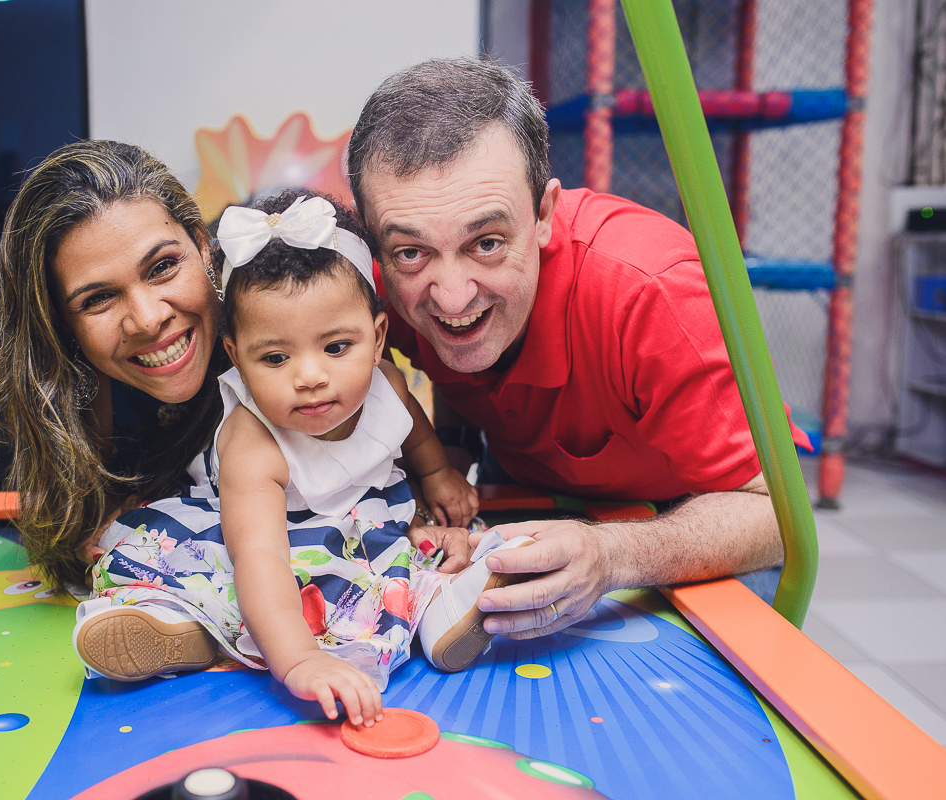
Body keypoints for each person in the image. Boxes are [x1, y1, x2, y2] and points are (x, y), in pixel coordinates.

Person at [347, 58, 813, 642]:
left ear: (543, 214)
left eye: (486, 243)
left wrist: (611, 552)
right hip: (520, 480)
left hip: (694, 515)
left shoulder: (653, 293)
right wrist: (448, 465)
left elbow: (777, 515)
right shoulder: (372, 288)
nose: (452, 295)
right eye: (411, 252)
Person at [75, 190, 531, 727]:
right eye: (274, 357)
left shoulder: (386, 383)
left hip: (369, 524)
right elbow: (260, 561)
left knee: (439, 552)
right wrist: (298, 661)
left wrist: (436, 473)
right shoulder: (252, 443)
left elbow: (414, 434)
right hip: (271, 539)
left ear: (378, 337)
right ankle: (183, 624)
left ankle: (449, 610)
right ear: (236, 359)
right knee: (233, 583)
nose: (310, 377)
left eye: (336, 347)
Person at [0, 139, 230, 601]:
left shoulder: (275, 308)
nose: (146, 318)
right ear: (60, 323)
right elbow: (68, 533)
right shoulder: (70, 396)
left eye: (162, 267)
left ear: (202, 245)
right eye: (98, 298)